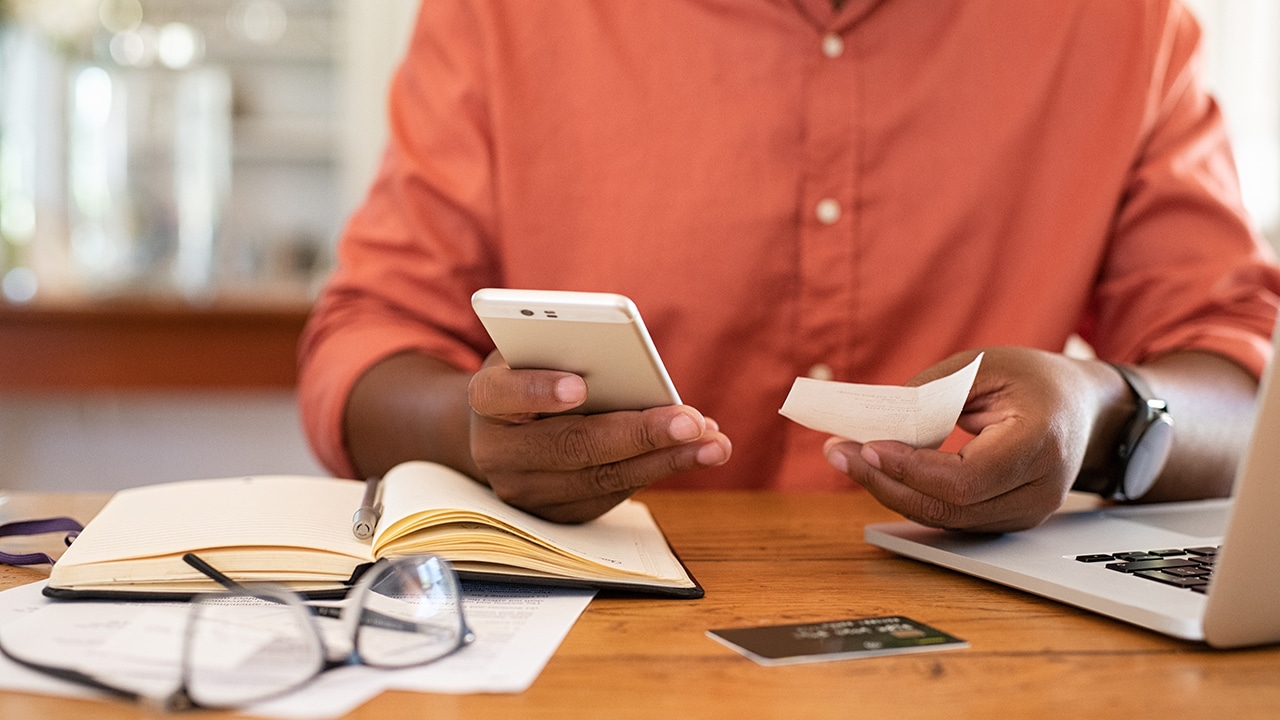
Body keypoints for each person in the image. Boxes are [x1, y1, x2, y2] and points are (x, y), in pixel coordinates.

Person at [298, 0, 1280, 532]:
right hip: (591, 637)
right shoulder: (499, 16)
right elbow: (364, 343)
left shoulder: (1126, 22)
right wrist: (479, 439)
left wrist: (1102, 418)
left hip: (988, 644)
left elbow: (1242, 380)